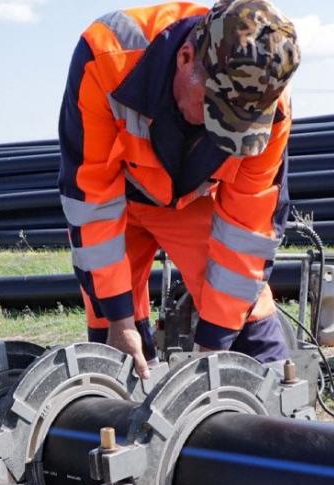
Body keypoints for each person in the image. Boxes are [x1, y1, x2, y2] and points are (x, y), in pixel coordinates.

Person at [57, 0, 301, 378]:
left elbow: (247, 230)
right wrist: (119, 321)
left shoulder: (268, 107)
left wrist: (212, 351)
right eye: (214, 110)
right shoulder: (107, 56)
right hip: (117, 203)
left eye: (237, 123)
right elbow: (92, 198)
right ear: (186, 57)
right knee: (112, 332)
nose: (216, 130)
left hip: (192, 201)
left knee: (243, 314)